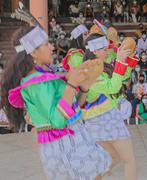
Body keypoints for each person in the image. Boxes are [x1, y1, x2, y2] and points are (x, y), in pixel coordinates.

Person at [0, 25, 111, 180]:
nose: (52, 47)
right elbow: (58, 121)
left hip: (74, 141)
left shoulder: (44, 78)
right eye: (46, 44)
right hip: (66, 149)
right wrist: (71, 84)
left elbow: (73, 110)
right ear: (33, 52)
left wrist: (84, 88)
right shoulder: (35, 84)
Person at [81, 33, 138, 180]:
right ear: (94, 51)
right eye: (104, 49)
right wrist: (119, 60)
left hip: (96, 121)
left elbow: (122, 78)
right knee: (129, 160)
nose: (108, 52)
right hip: (105, 118)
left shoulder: (100, 66)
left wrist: (126, 60)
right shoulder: (89, 71)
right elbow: (112, 87)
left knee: (113, 158)